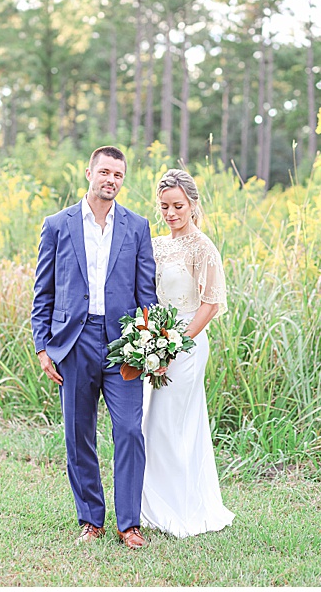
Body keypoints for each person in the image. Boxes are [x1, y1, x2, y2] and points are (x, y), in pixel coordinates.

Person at [31, 145, 157, 549]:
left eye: (118, 175)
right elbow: (43, 293)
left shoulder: (137, 227)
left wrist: (148, 344)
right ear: (89, 172)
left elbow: (146, 293)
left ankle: (129, 524)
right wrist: (42, 347)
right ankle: (91, 519)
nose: (111, 180)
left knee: (129, 431)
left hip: (123, 345)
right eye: (104, 172)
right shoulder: (57, 224)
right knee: (77, 433)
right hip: (74, 342)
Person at [141, 169, 234, 537]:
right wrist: (151, 339)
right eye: (164, 206)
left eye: (178, 205)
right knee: (153, 421)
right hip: (157, 338)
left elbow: (210, 305)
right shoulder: (157, 244)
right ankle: (155, 506)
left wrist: (174, 345)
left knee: (173, 422)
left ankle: (181, 509)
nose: (171, 213)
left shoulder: (202, 247)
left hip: (188, 343)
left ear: (193, 204)